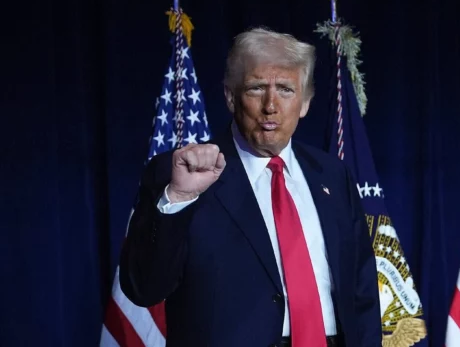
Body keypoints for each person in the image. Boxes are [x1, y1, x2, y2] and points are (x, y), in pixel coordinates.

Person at [120, 27, 382, 347]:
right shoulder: (181, 174)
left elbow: (362, 292)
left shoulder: (333, 175)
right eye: (257, 88)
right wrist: (180, 197)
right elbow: (143, 288)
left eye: (286, 89)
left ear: (305, 103)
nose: (271, 106)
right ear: (231, 97)